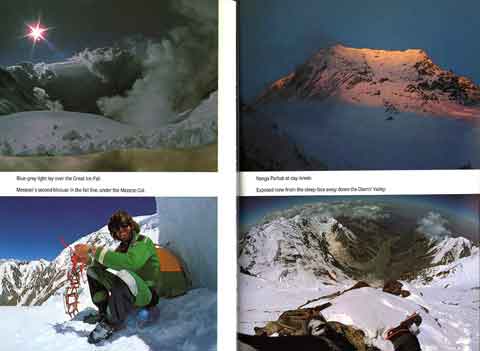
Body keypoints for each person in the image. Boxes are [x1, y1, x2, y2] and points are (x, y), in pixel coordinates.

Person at [74, 210, 189, 344]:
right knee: (93, 271)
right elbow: (104, 264)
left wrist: (92, 250)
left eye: (124, 225)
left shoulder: (143, 242)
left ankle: (111, 323)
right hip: (131, 288)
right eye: (117, 229)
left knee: (125, 273)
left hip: (147, 294)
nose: (121, 231)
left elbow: (131, 263)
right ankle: (104, 311)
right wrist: (87, 260)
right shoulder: (123, 247)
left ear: (131, 225)